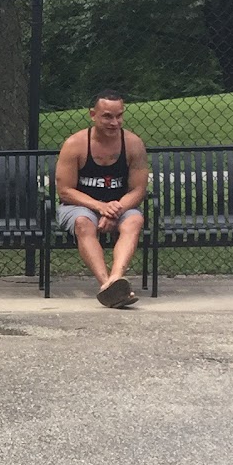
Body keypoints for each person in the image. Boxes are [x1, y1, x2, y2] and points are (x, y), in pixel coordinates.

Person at [54, 92, 148, 307]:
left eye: (119, 116)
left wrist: (115, 210)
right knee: (83, 223)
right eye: (107, 117)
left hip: (120, 205)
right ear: (93, 115)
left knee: (135, 220)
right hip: (79, 206)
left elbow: (138, 189)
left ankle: (116, 278)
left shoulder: (133, 144)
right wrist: (100, 207)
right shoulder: (75, 144)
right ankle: (106, 284)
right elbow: (65, 190)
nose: (114, 123)